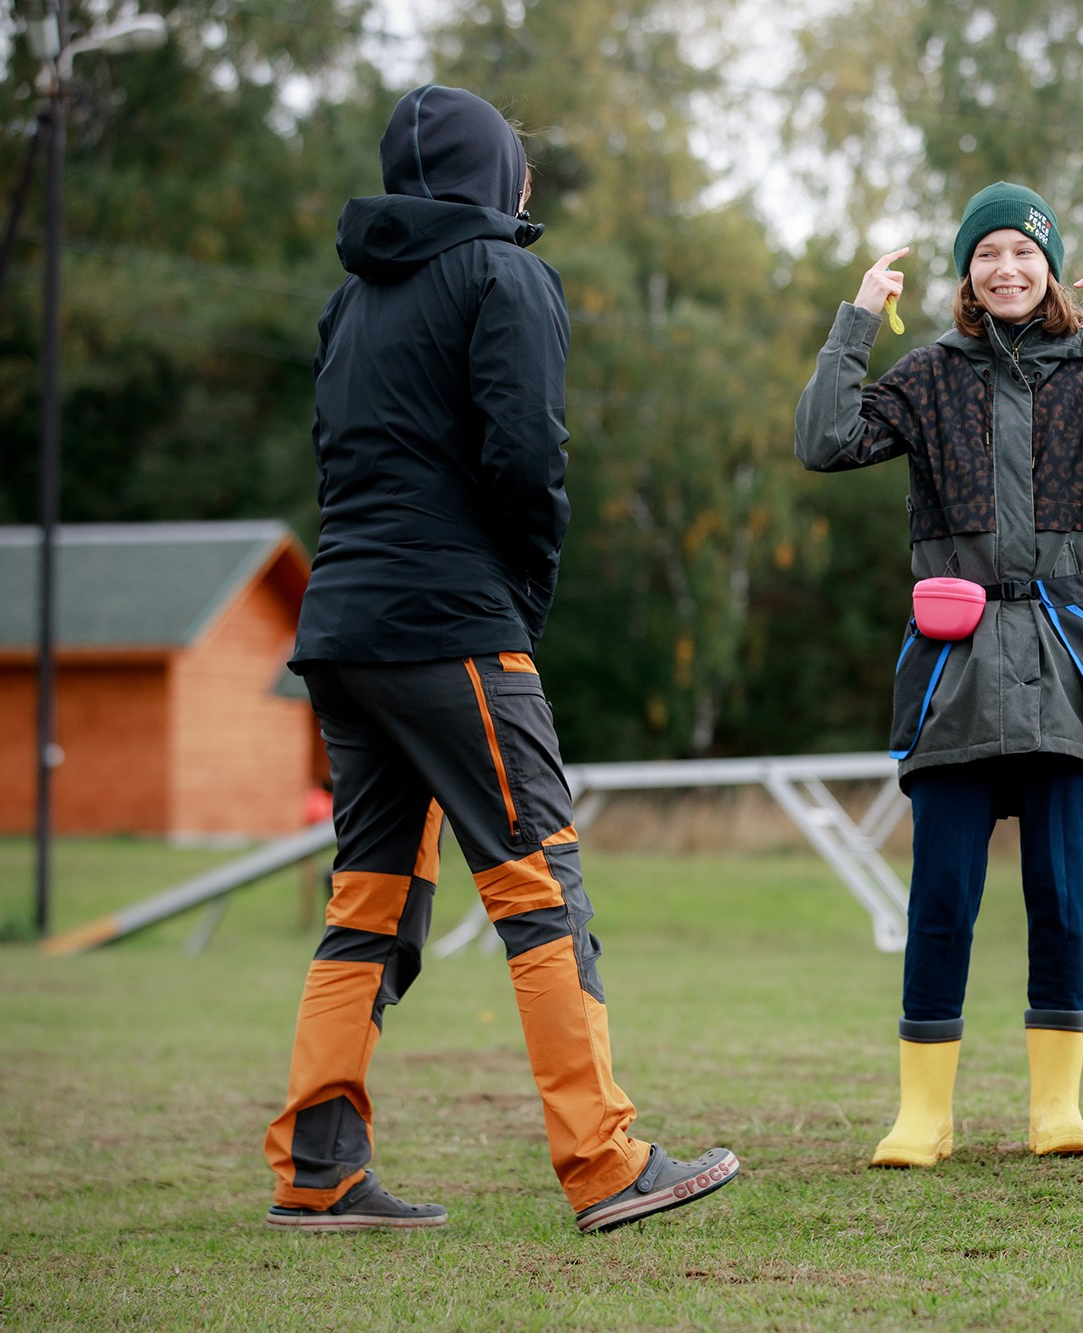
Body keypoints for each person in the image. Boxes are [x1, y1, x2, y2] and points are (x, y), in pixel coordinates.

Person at [263, 84, 737, 1233]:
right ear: (492, 180)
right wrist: (521, 593)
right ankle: (604, 1159)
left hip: (344, 628)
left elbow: (340, 467)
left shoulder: (347, 302)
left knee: (367, 903)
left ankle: (318, 1168)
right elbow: (527, 456)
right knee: (538, 884)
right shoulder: (504, 275)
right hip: (452, 624)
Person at [794, 182, 1083, 1166]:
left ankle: (1054, 1108)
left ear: (1049, 268)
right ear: (967, 274)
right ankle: (923, 1115)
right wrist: (854, 321)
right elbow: (823, 439)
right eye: (986, 254)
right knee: (939, 899)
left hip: (1069, 668)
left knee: (1064, 899)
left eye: (1022, 253)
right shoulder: (926, 373)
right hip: (953, 674)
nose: (1005, 268)